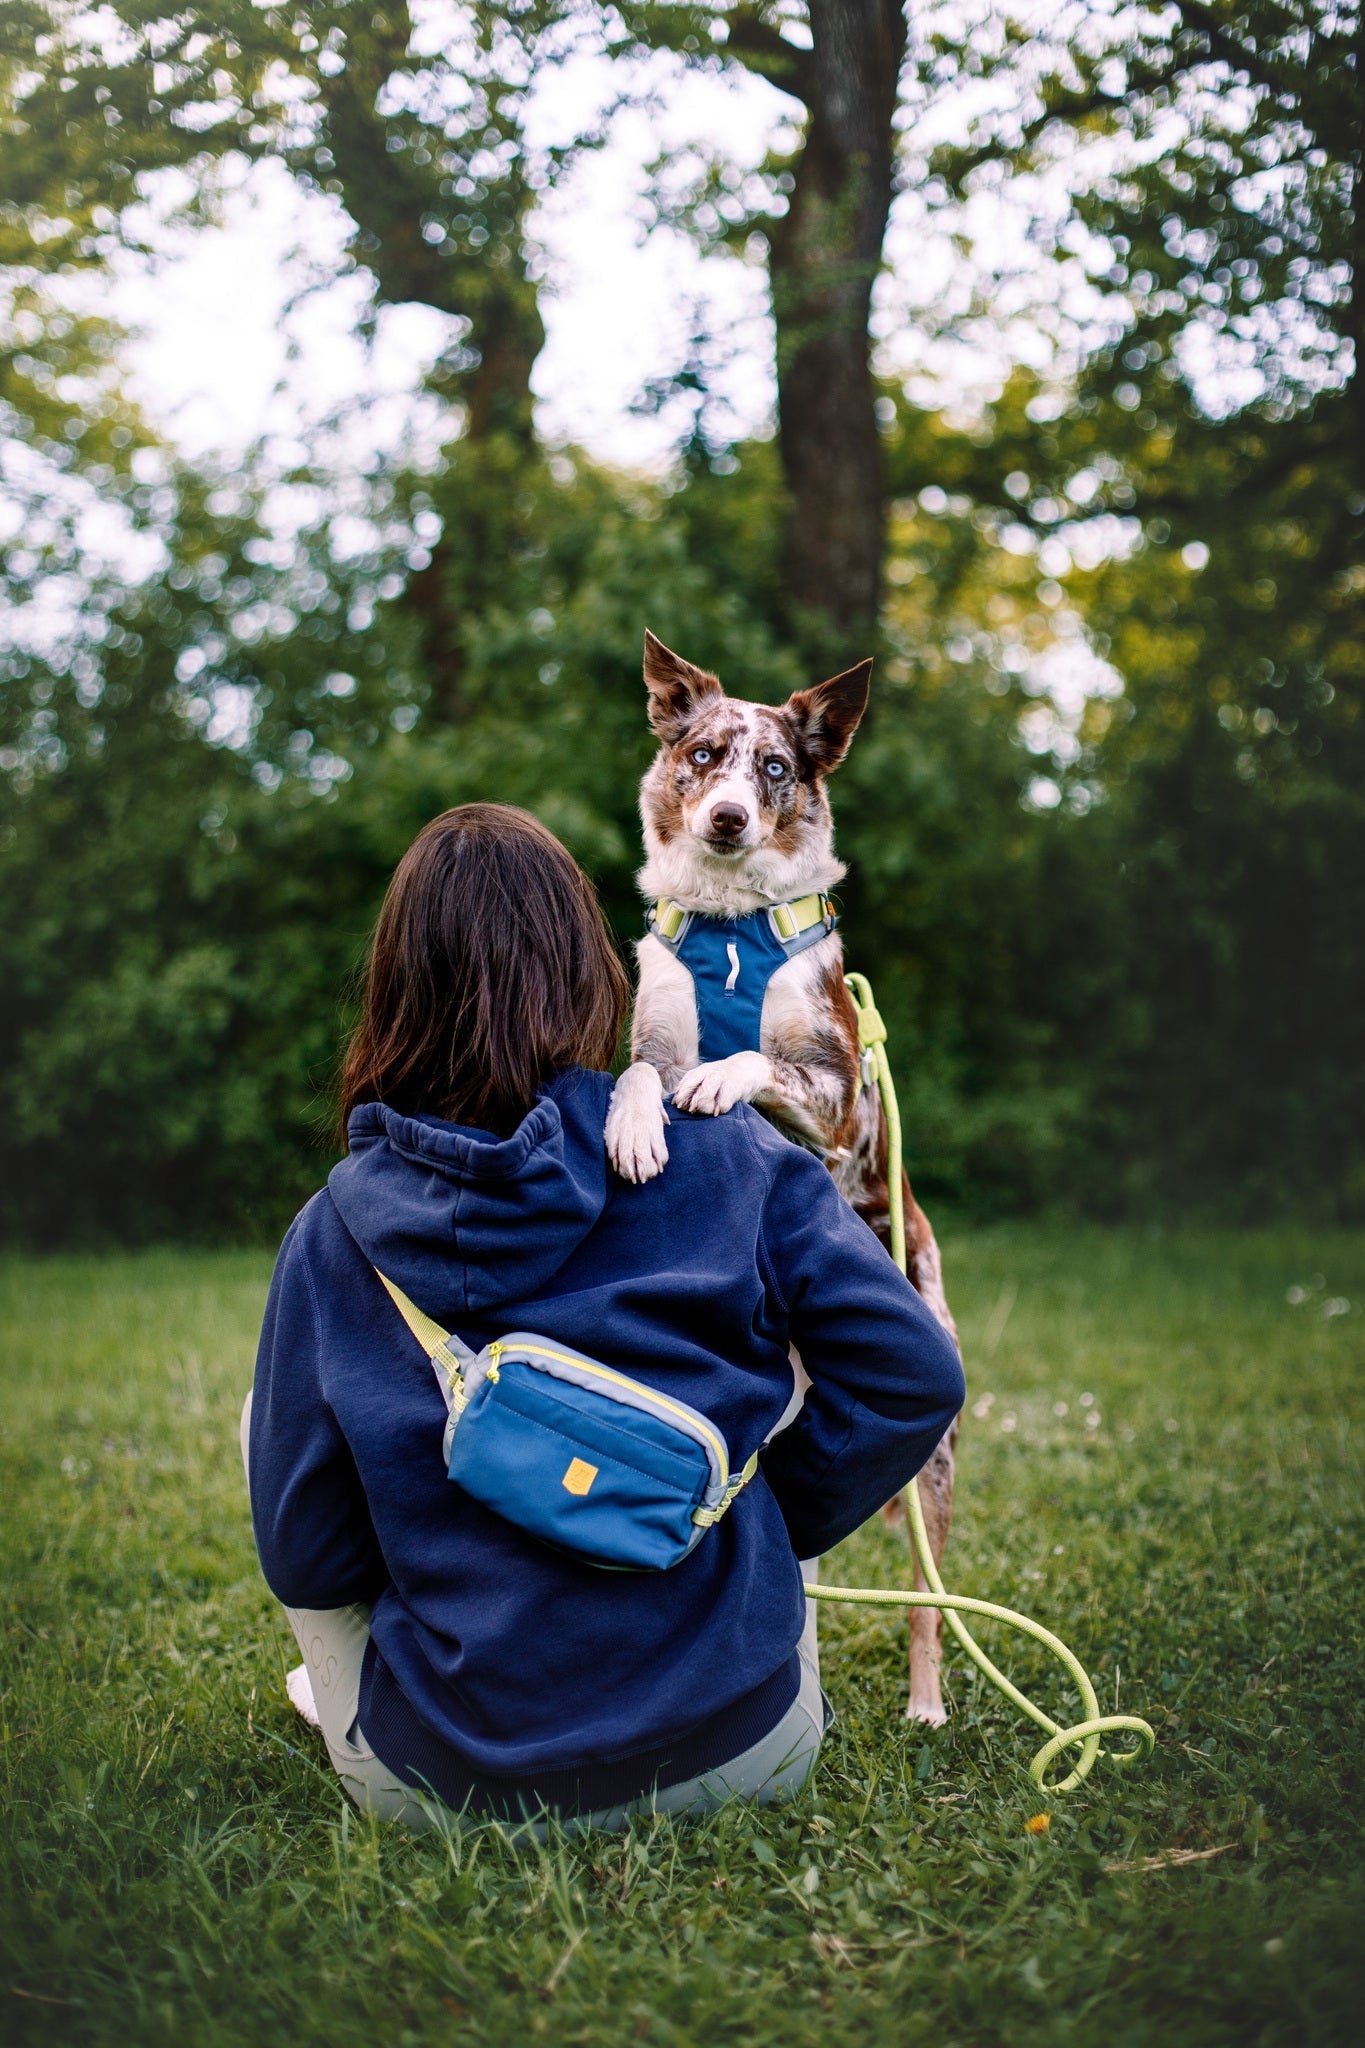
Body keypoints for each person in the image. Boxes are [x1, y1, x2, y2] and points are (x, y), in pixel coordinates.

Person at [242, 803, 964, 1830]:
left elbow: (310, 1554)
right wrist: (751, 1522)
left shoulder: (330, 1236)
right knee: (794, 1365)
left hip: (453, 1788)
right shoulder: (732, 1154)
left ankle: (353, 1705)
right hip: (752, 1746)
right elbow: (914, 1374)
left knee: (263, 1418)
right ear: (592, 970)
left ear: (394, 993)